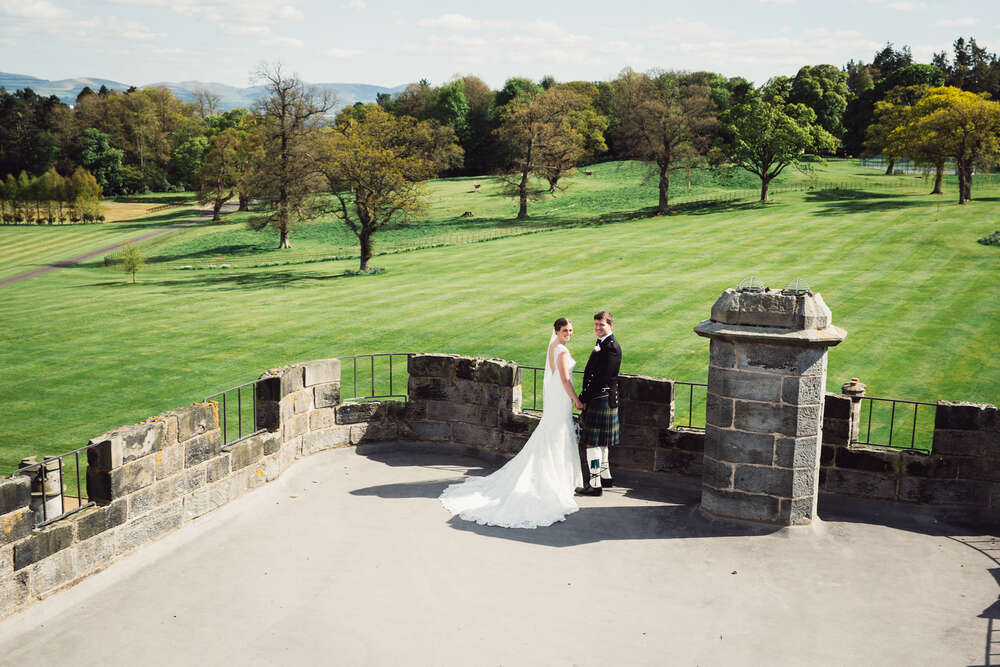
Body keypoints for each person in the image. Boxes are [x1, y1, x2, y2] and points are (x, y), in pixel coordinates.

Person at [439, 318, 585, 528]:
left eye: (571, 331)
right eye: (565, 331)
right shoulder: (561, 351)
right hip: (561, 398)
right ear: (556, 331)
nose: (568, 334)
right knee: (556, 436)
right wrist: (577, 400)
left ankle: (555, 478)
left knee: (552, 435)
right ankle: (554, 482)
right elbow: (564, 380)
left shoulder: (553, 347)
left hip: (556, 399)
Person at [575, 311, 622, 497]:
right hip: (602, 398)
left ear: (611, 325)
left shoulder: (611, 347)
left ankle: (594, 485)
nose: (597, 328)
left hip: (600, 398)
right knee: (601, 441)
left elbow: (601, 379)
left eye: (601, 325)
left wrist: (584, 398)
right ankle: (605, 477)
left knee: (592, 443)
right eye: (595, 324)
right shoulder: (602, 343)